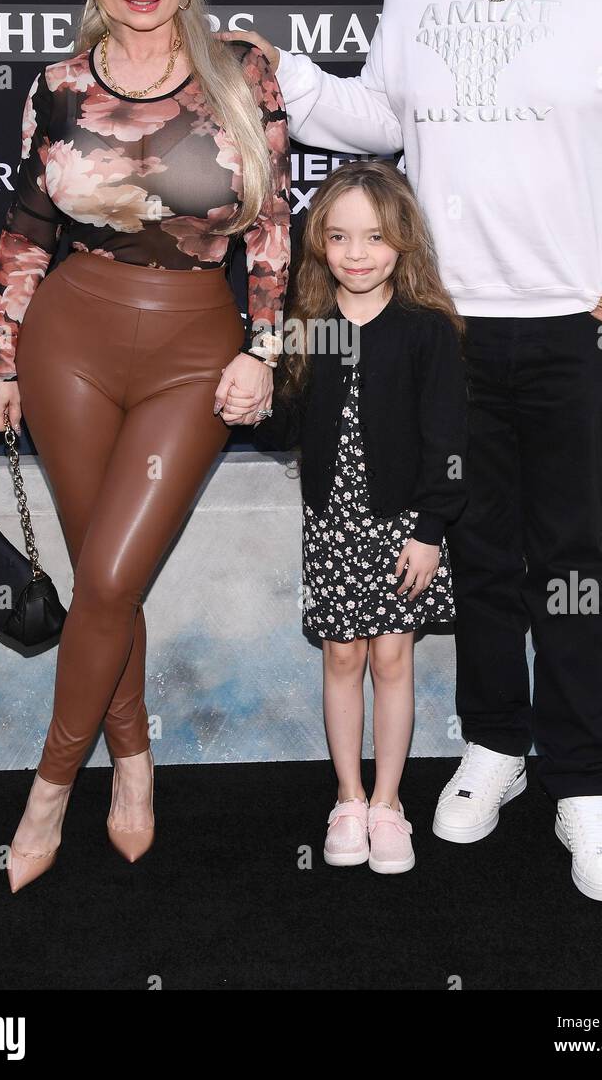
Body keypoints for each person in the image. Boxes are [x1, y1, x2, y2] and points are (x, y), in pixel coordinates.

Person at [221, 0, 602, 901]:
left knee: (571, 564)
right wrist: (280, 71)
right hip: (444, 334)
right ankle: (493, 746)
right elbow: (380, 115)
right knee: (474, 556)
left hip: (574, 329)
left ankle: (584, 784)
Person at [0, 0, 291, 893]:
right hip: (70, 337)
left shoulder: (245, 70)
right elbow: (27, 228)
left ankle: (50, 788)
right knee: (104, 571)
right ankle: (136, 761)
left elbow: (276, 228)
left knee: (108, 577)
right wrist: (0, 355)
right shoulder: (59, 86)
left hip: (197, 348)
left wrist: (267, 350)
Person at [243, 160, 467, 873]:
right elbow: (283, 433)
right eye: (339, 237)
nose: (357, 253)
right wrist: (255, 391)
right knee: (342, 656)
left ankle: (389, 804)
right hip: (332, 523)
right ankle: (346, 798)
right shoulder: (307, 326)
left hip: (403, 524)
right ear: (318, 245)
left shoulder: (425, 331)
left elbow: (447, 443)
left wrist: (430, 530)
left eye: (373, 237)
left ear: (403, 243)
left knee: (393, 657)